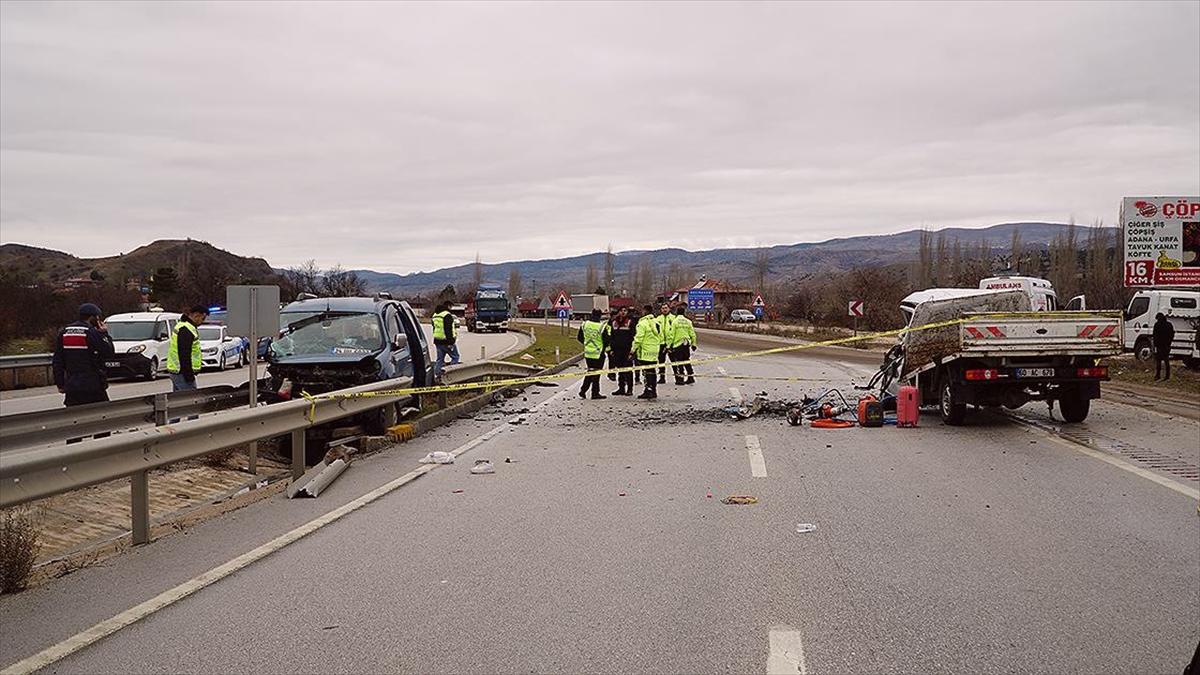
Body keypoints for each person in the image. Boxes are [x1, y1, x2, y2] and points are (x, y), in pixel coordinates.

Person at [52, 303, 115, 407]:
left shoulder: (64, 332)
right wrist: (104, 334)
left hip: (72, 385)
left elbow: (58, 361)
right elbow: (108, 352)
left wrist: (60, 383)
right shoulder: (92, 332)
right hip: (93, 385)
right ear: (93, 317)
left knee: (75, 417)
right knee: (102, 415)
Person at [168, 305, 209, 391]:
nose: (202, 322)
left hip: (177, 371)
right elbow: (184, 353)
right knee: (191, 398)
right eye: (202, 318)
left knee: (179, 400)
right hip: (182, 372)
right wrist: (189, 375)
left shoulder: (183, 326)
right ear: (196, 315)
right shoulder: (186, 330)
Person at [633, 303, 664, 399]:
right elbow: (661, 337)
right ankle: (653, 390)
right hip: (654, 351)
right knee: (652, 371)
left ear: (645, 311)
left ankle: (648, 390)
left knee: (646, 372)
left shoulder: (642, 324)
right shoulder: (658, 323)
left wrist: (633, 349)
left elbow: (639, 338)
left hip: (645, 351)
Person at [576, 309, 609, 399]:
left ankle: (583, 390)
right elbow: (606, 340)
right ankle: (594, 393)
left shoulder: (585, 324)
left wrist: (587, 344)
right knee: (596, 374)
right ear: (600, 316)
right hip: (598, 353)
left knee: (590, 372)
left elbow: (579, 337)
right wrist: (603, 348)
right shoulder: (601, 327)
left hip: (588, 353)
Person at [607, 306, 636, 396]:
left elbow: (634, 336)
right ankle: (621, 388)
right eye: (621, 311)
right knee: (620, 370)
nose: (623, 312)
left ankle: (630, 389)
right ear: (618, 312)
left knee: (628, 370)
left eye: (625, 311)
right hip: (617, 350)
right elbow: (611, 336)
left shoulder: (630, 322)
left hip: (627, 350)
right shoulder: (613, 323)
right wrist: (611, 349)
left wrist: (632, 351)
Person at [668, 304, 698, 385]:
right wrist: (693, 344)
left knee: (679, 362)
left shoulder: (675, 322)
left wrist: (668, 346)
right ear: (684, 313)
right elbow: (692, 334)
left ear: (677, 313)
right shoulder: (688, 322)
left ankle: (680, 379)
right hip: (686, 344)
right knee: (687, 360)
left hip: (678, 345)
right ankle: (690, 377)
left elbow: (671, 335)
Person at [431, 302, 460, 379]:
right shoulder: (447, 315)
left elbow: (434, 328)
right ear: (448, 306)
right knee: (455, 357)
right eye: (451, 307)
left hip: (438, 341)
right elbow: (448, 330)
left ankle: (437, 375)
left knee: (440, 359)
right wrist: (451, 342)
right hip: (447, 341)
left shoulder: (435, 315)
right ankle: (451, 374)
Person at [1152, 312, 1175, 381]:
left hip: (1159, 345)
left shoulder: (1157, 325)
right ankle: (1167, 375)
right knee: (1166, 361)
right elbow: (1172, 334)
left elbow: (1155, 335)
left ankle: (1158, 375)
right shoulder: (1169, 324)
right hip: (1167, 345)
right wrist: (1169, 342)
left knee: (1158, 361)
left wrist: (1155, 345)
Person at [656, 302, 674, 384]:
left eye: (666, 308)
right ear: (661, 310)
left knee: (674, 361)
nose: (664, 309)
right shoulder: (658, 319)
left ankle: (678, 377)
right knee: (661, 362)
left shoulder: (673, 318)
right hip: (661, 343)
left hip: (671, 344)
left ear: (669, 309)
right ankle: (662, 377)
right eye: (663, 308)